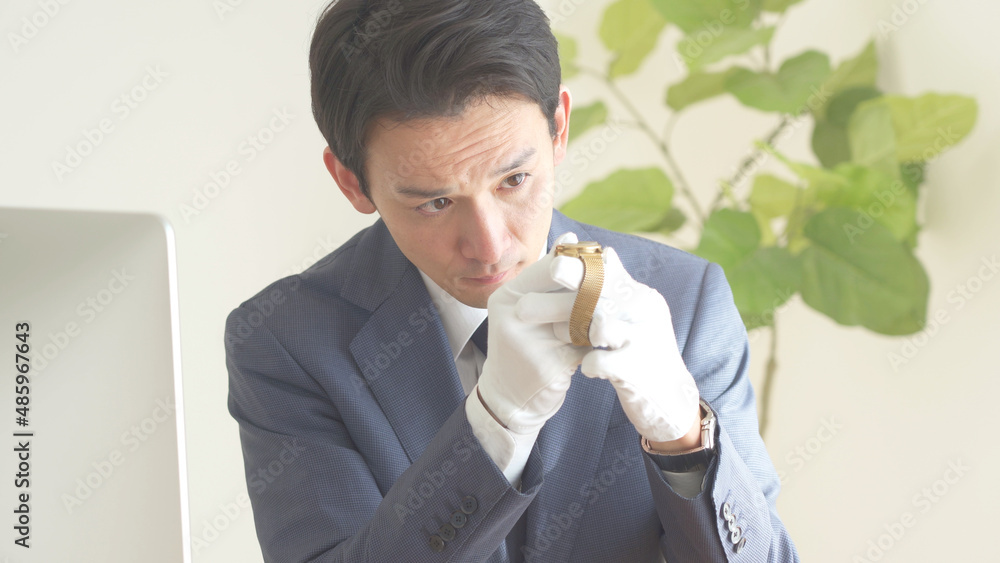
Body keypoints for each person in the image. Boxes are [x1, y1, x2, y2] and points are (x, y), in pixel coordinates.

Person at [224, 0, 800, 561]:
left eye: (514, 180)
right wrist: (496, 426)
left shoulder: (686, 301)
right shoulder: (286, 342)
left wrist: (684, 439)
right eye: (435, 203)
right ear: (352, 183)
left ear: (559, 129)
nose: (490, 244)